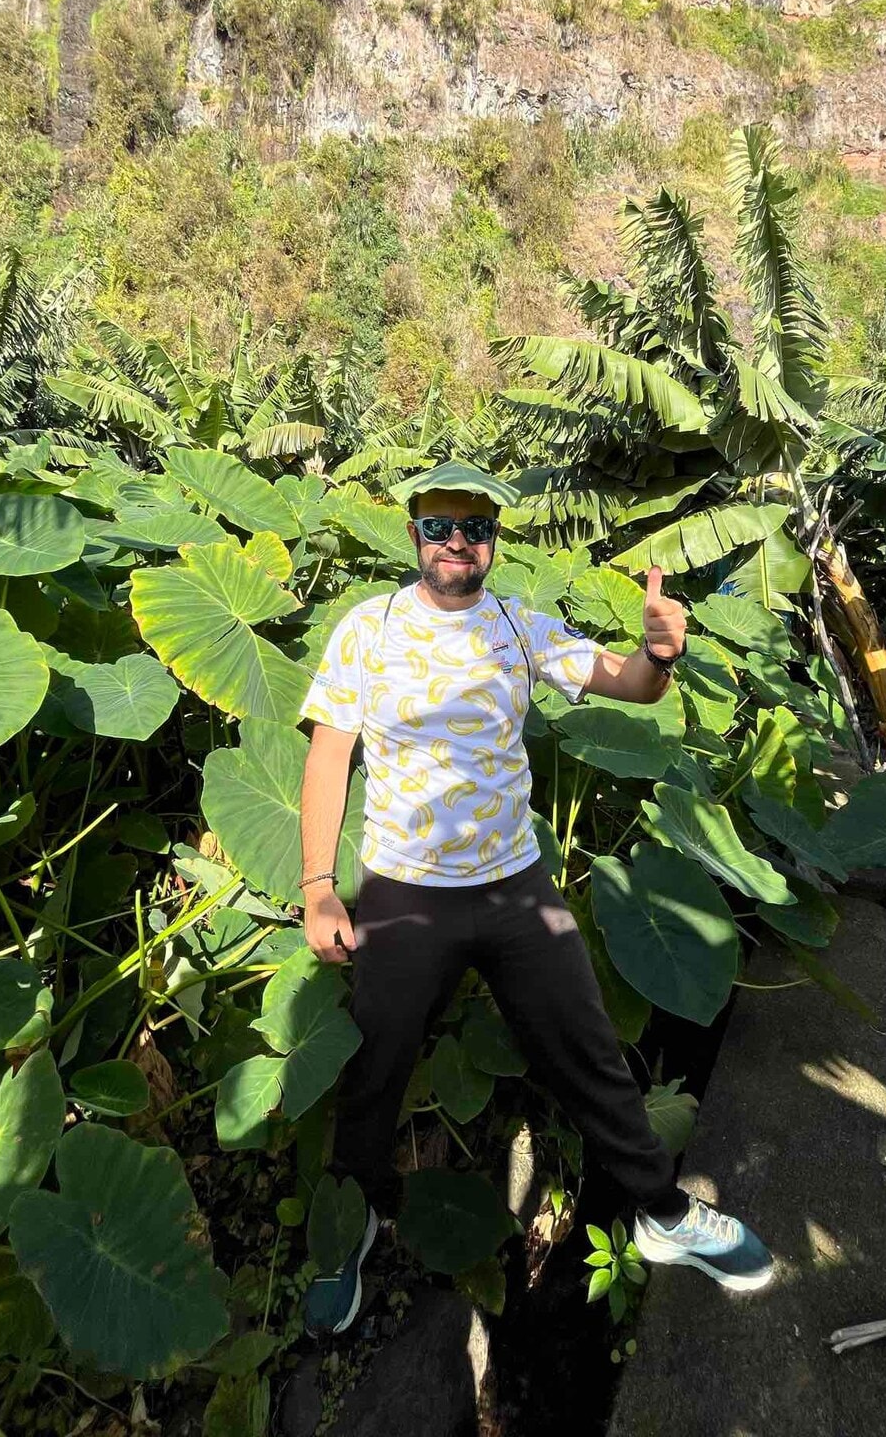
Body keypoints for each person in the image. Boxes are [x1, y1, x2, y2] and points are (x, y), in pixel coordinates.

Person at [295, 460, 773, 1333]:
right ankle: (348, 1219)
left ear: (493, 542)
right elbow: (330, 756)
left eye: (473, 528)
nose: (456, 542)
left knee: (587, 1046)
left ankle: (661, 1213)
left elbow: (628, 686)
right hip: (406, 887)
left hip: (515, 883)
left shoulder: (519, 626)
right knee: (372, 1062)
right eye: (439, 525)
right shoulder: (367, 630)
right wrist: (320, 887)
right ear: (413, 533)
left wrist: (661, 654)